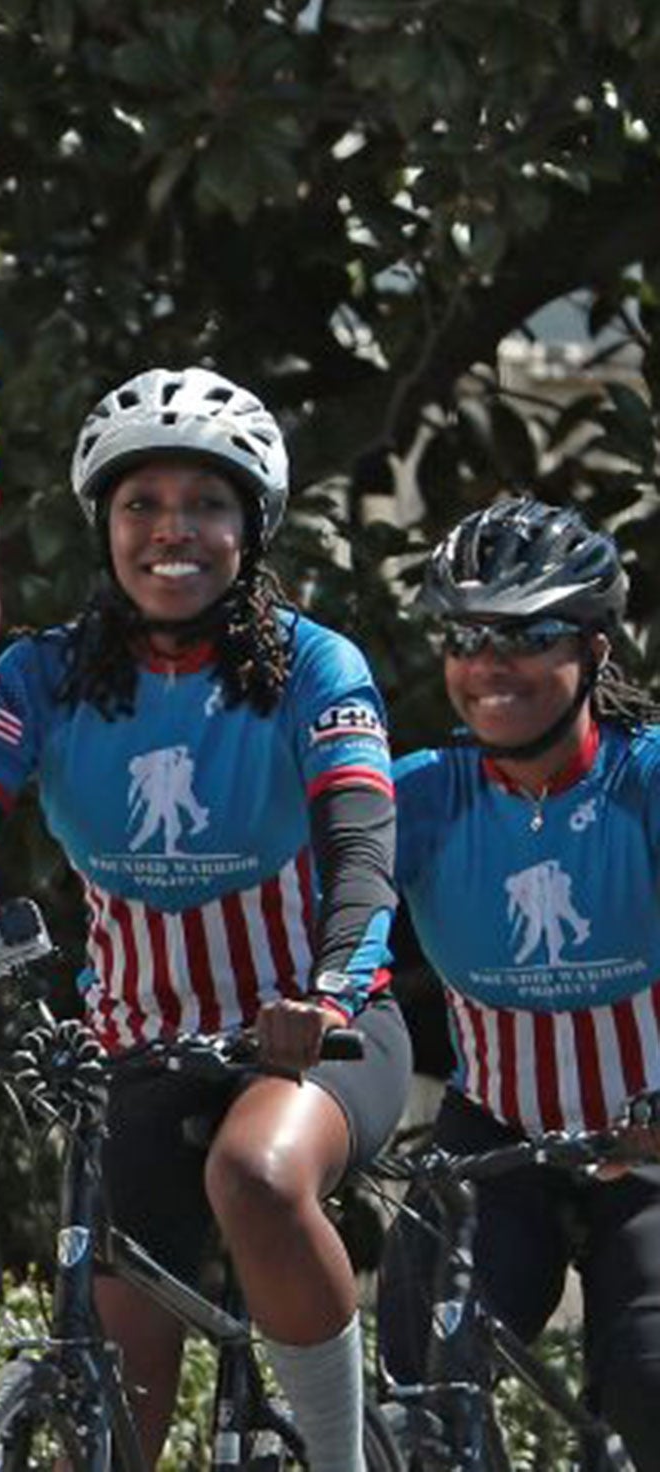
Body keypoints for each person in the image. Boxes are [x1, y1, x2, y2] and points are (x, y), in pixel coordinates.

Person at [0, 366, 410, 1472]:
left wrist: (323, 996)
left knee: (254, 1176)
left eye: (206, 504)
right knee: (110, 1427)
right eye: (141, 505)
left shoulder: (315, 666)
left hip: (322, 1031)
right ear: (103, 526)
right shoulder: (36, 675)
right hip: (136, 1046)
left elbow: (362, 852)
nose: (173, 531)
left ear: (249, 527)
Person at [377, 498, 660, 1467]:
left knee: (647, 1375)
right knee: (417, 1384)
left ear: (590, 649)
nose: (487, 664)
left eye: (526, 636)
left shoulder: (644, 779)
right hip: (496, 1127)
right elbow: (323, 914)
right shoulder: (421, 792)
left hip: (649, 1133)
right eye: (465, 636)